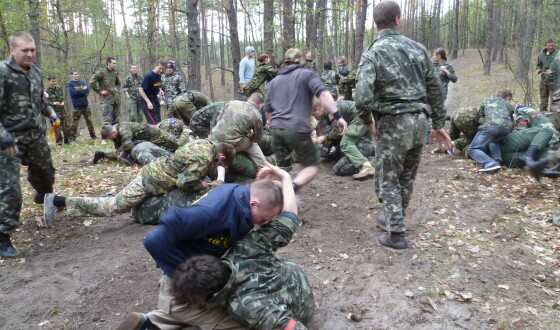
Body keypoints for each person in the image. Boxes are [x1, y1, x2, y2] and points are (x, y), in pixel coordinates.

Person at [116, 164, 302, 330]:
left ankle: (150, 323)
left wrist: (285, 179)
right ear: (255, 204)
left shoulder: (241, 200)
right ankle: (160, 320)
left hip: (190, 284)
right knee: (244, 322)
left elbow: (287, 218)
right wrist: (190, 277)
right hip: (183, 287)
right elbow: (153, 240)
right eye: (265, 219)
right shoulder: (211, 213)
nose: (264, 223)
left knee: (208, 309)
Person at [354, 1, 451, 250]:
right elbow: (435, 89)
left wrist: (368, 121)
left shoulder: (372, 53)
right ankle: (393, 216)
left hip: (392, 122)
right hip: (419, 122)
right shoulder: (418, 49)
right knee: (406, 175)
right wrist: (438, 124)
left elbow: (362, 97)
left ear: (376, 24)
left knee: (388, 177)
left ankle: (396, 233)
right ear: (398, 19)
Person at [43, 139, 236, 226]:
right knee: (113, 207)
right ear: (220, 156)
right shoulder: (204, 158)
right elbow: (184, 182)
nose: (217, 165)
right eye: (220, 163)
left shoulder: (204, 144)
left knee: (119, 201)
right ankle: (57, 201)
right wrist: (203, 185)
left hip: (156, 176)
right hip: (150, 181)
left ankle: (81, 200)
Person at [0, 32, 59, 258]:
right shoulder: (3, 73)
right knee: (10, 189)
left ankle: (43, 196)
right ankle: (3, 235)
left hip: (35, 136)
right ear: (12, 50)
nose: (30, 54)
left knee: (47, 173)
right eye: (25, 50)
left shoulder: (35, 72)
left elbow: (40, 101)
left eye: (32, 50)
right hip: (9, 140)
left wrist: (52, 114)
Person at [264, 48, 348, 192]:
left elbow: (268, 110)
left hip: (276, 129)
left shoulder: (273, 82)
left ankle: (275, 197)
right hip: (297, 128)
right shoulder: (307, 75)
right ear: (301, 61)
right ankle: (292, 187)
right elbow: (323, 93)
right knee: (312, 166)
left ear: (286, 62)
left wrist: (271, 124)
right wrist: (338, 116)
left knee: (282, 168)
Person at [312, 98, 374, 179]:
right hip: (362, 116)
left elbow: (337, 131)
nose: (314, 117)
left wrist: (324, 138)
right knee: (352, 141)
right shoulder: (327, 109)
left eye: (313, 114)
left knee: (345, 143)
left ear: (318, 108)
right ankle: (373, 153)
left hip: (360, 118)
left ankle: (366, 166)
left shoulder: (330, 110)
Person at [211, 94, 267, 169]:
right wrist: (250, 135)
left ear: (249, 99)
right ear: (260, 105)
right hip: (230, 144)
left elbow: (218, 119)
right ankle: (263, 167)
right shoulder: (256, 115)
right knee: (253, 144)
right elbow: (258, 138)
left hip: (214, 137)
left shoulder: (232, 103)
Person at [468, 90, 514, 172]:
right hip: (506, 128)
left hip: (490, 126)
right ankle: (497, 162)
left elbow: (481, 118)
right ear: (508, 97)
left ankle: (489, 163)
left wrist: (480, 129)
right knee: (494, 141)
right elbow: (512, 120)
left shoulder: (488, 100)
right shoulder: (509, 105)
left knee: (473, 149)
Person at [89, 57, 121, 125]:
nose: (115, 65)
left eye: (116, 63)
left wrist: (116, 89)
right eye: (114, 63)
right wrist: (100, 91)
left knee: (116, 121)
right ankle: (107, 135)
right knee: (107, 121)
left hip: (116, 100)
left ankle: (115, 135)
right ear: (108, 63)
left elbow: (119, 84)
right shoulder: (102, 72)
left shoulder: (115, 72)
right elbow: (91, 82)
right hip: (107, 100)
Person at [67, 70, 96, 140]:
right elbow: (73, 93)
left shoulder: (82, 83)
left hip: (85, 105)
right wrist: (82, 91)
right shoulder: (70, 84)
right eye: (75, 74)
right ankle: (72, 138)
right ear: (71, 75)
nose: (76, 75)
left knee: (89, 120)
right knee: (75, 122)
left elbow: (87, 91)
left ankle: (93, 135)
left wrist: (80, 91)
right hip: (77, 106)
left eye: (77, 74)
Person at [45, 74, 72, 145]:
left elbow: (62, 97)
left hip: (62, 110)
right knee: (57, 127)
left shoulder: (59, 89)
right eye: (52, 81)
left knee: (67, 126)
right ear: (49, 81)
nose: (54, 83)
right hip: (53, 111)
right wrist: (54, 103)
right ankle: (59, 142)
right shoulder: (46, 91)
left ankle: (66, 140)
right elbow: (45, 102)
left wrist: (62, 102)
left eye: (55, 81)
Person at [138, 60, 165, 125]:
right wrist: (148, 102)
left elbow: (154, 85)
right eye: (159, 68)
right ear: (155, 66)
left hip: (154, 99)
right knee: (153, 123)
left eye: (163, 69)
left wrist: (159, 90)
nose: (161, 70)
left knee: (159, 121)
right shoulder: (149, 75)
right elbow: (141, 89)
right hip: (146, 101)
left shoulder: (159, 75)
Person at [536, 39, 556, 112]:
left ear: (554, 45)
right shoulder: (541, 54)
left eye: (552, 45)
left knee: (554, 99)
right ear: (545, 46)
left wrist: (553, 71)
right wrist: (538, 69)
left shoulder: (558, 54)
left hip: (555, 80)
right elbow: (538, 65)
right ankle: (543, 116)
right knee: (543, 98)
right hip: (544, 79)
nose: (550, 47)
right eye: (549, 45)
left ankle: (553, 117)